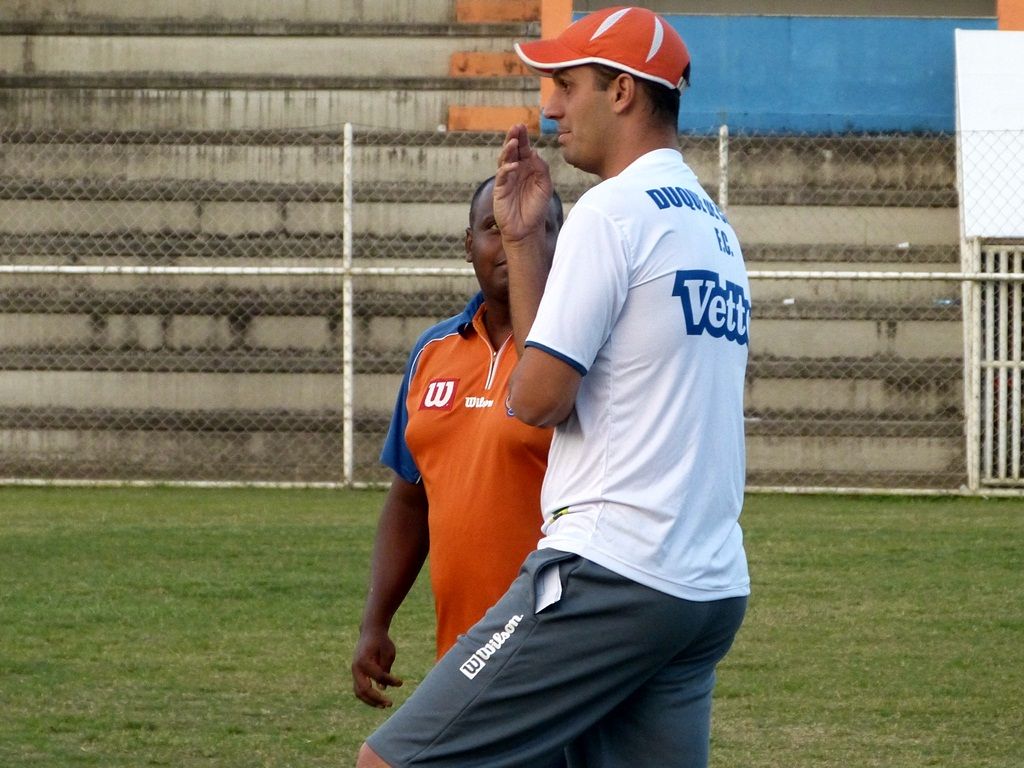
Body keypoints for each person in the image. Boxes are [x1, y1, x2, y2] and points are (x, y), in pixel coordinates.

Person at [357, 6, 751, 767]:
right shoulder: (712, 225)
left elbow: (537, 398)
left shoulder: (613, 210)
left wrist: (527, 247)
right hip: (704, 587)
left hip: (609, 571)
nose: (550, 106)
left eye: (568, 85)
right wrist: (527, 241)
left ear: (625, 92)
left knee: (390, 762)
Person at [351, 177, 564, 709]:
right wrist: (375, 623)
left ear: (564, 242)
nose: (513, 240)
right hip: (463, 648)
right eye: (493, 227)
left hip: (554, 639)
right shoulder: (432, 352)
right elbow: (409, 498)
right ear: (468, 243)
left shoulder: (576, 357)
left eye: (539, 228)